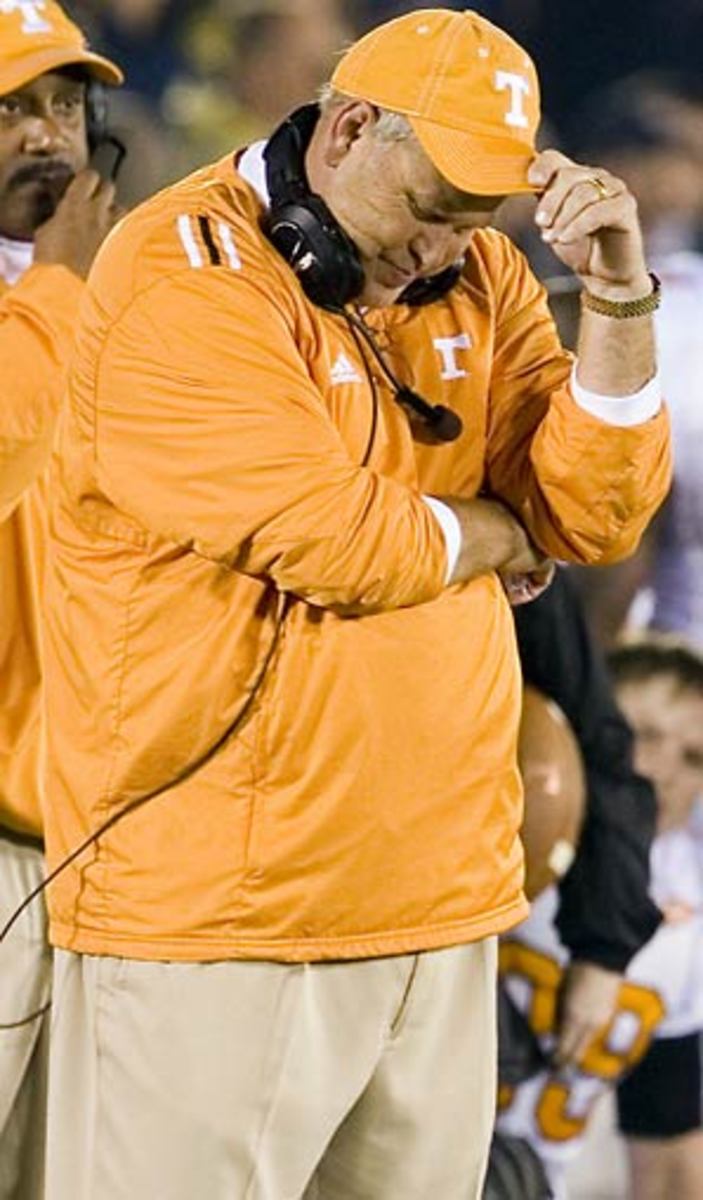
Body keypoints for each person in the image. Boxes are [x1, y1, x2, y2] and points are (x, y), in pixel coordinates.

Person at [41, 8, 670, 1199]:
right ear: (347, 130)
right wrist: (498, 531)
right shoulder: (181, 271)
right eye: (429, 207)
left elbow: (595, 517)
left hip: (441, 895)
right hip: (222, 913)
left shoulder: (482, 273)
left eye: (473, 219)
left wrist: (617, 303)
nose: (441, 250)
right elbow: (338, 541)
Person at [0, 4, 122, 1196]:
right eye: (13, 109)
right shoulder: (66, 296)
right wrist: (60, 289)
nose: (50, 137)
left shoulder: (117, 300)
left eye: (67, 105)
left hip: (99, 846)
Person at [494, 638, 703, 1200]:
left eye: (694, 757)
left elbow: (666, 1138)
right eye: (645, 734)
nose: (664, 770)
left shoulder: (687, 930)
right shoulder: (501, 838)